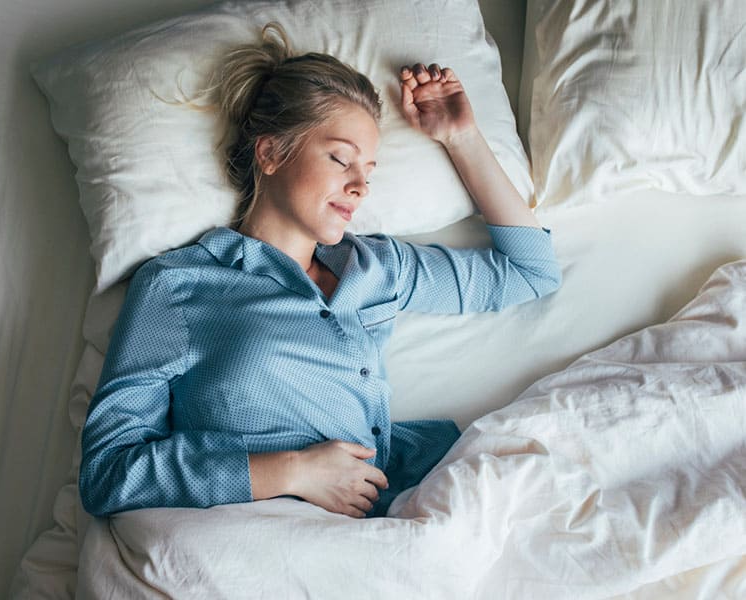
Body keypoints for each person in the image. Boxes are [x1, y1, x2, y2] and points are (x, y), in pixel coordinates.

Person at [79, 24, 561, 519]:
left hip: (402, 507)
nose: (359, 186)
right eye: (340, 159)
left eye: (368, 172)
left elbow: (532, 272)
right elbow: (108, 472)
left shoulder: (378, 269)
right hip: (262, 533)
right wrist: (292, 471)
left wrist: (461, 138)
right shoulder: (179, 285)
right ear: (270, 153)